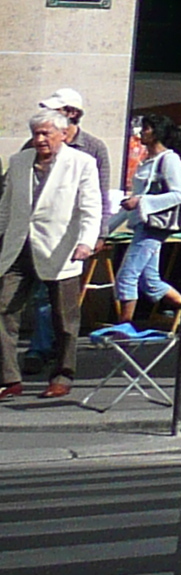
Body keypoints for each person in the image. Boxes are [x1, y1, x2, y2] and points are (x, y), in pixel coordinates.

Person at [0, 109, 102, 399]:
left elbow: (91, 206)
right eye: (36, 134)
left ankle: (62, 375)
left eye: (46, 133)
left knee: (64, 318)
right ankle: (9, 379)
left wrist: (86, 241)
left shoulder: (81, 162)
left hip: (61, 249)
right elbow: (6, 205)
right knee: (4, 310)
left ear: (63, 134)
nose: (40, 139)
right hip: (18, 247)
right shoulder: (19, 161)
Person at [113, 115, 181, 330]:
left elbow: (180, 195)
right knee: (150, 282)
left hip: (153, 226)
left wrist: (141, 201)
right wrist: (106, 229)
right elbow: (132, 200)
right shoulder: (147, 161)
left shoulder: (170, 159)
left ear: (157, 132)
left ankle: (124, 326)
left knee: (127, 276)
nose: (141, 132)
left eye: (146, 128)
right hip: (142, 223)